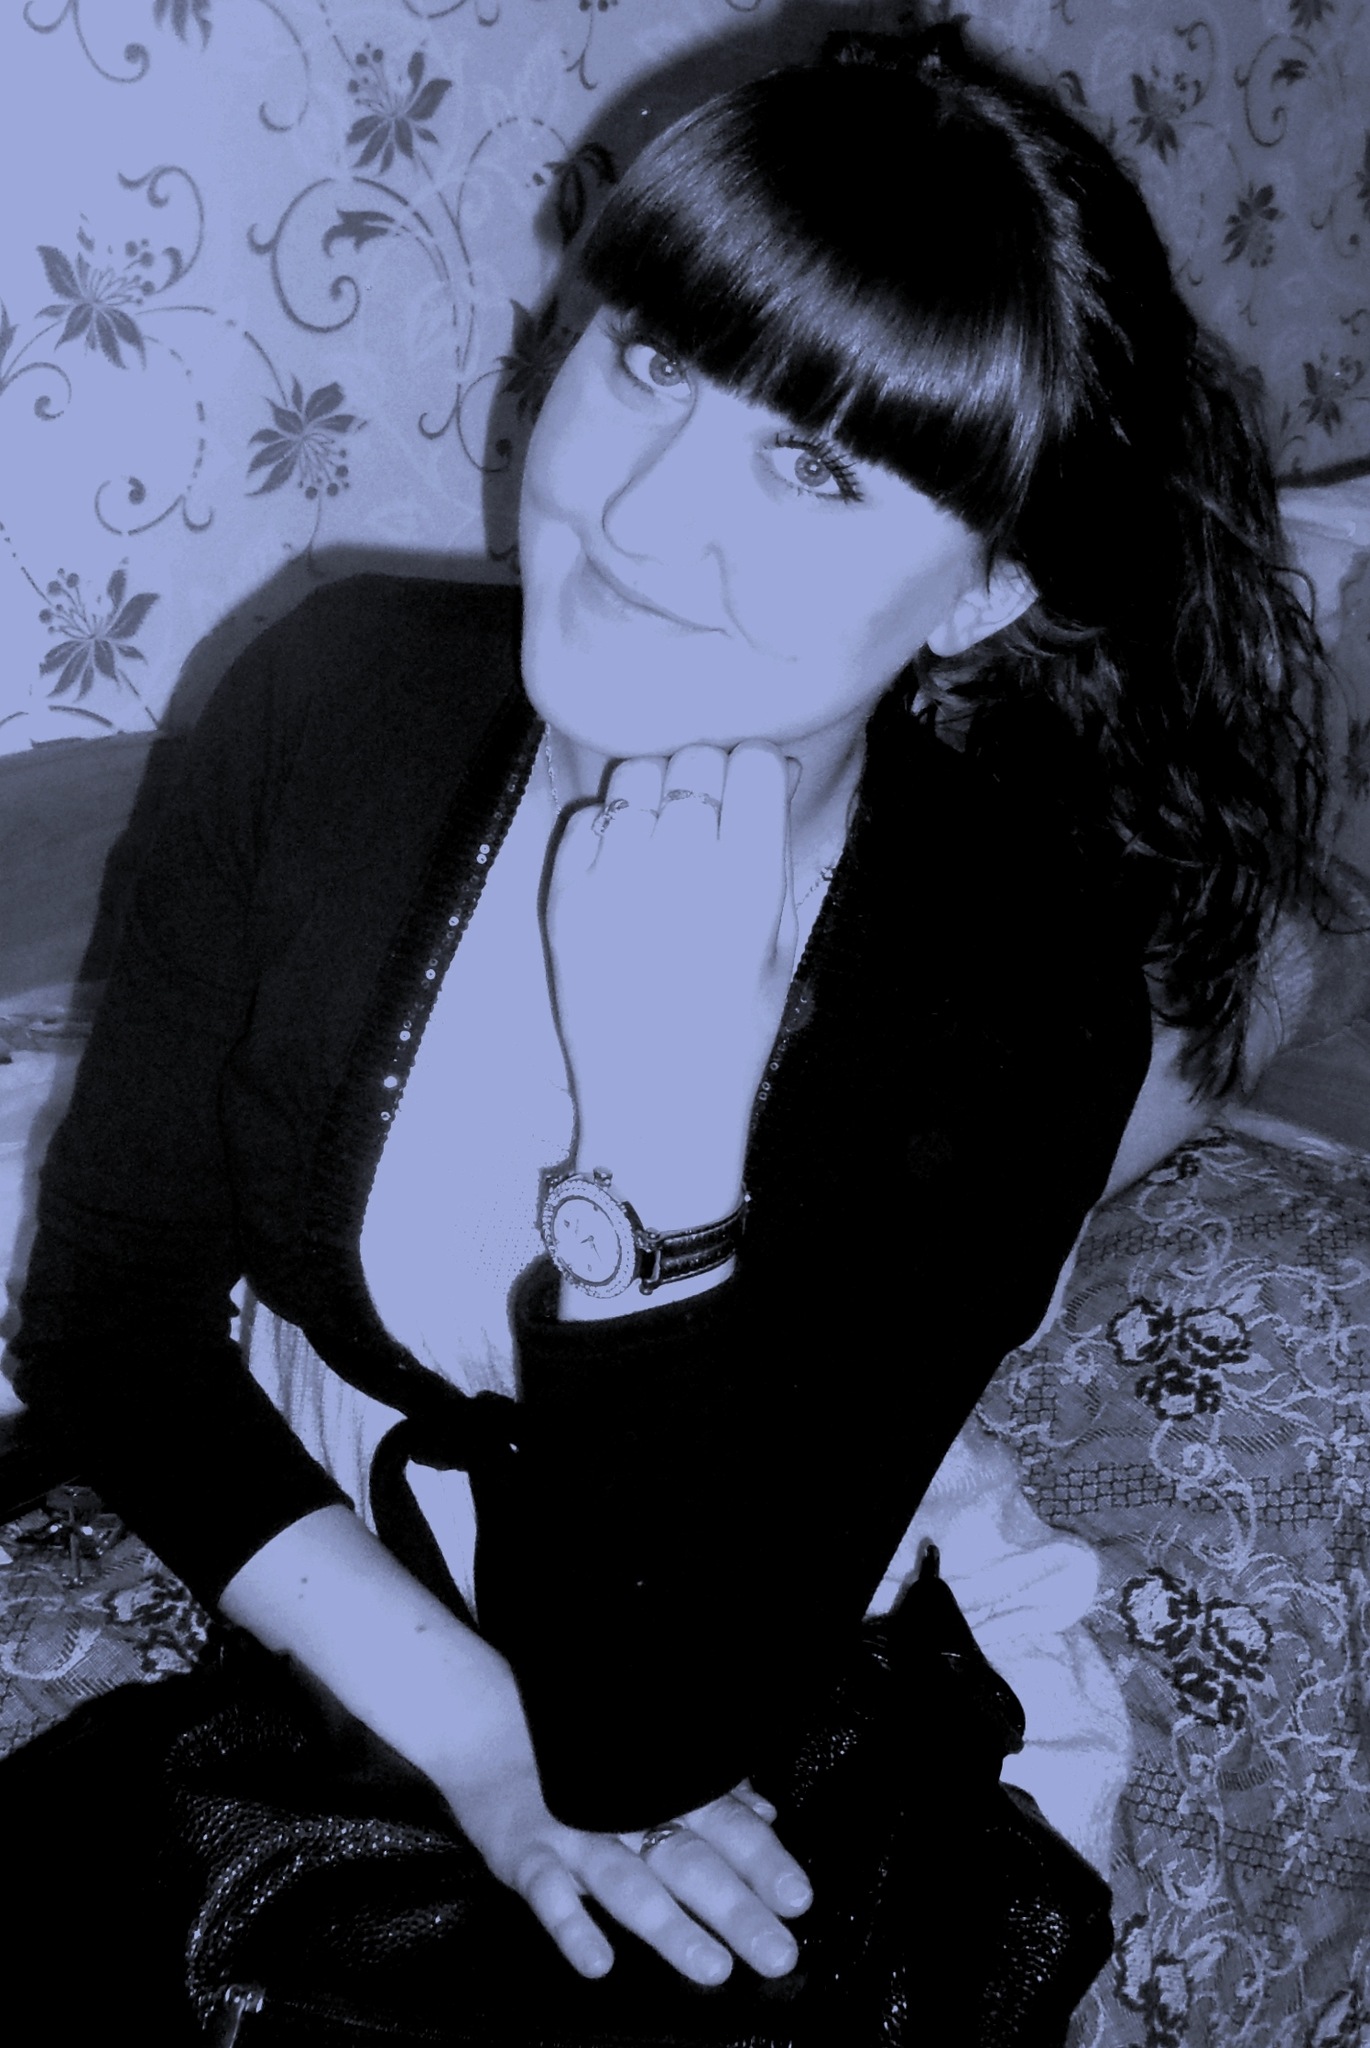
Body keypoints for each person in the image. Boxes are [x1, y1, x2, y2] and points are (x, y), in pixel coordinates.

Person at [3, 17, 1332, 2036]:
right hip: (367, 1602)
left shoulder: (1012, 982)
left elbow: (648, 1735)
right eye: (646, 363)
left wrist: (650, 1165)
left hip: (743, 1645)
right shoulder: (328, 699)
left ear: (979, 594)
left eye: (810, 468)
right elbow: (110, 1323)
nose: (636, 515)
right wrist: (473, 1734)